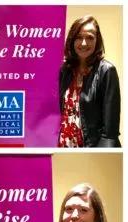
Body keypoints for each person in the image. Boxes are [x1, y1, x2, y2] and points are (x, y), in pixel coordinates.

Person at [58, 15, 121, 147]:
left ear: (97, 41)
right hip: (63, 148)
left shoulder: (107, 71)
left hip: (91, 150)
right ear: (72, 40)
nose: (84, 43)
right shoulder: (65, 71)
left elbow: (110, 132)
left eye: (90, 37)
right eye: (79, 37)